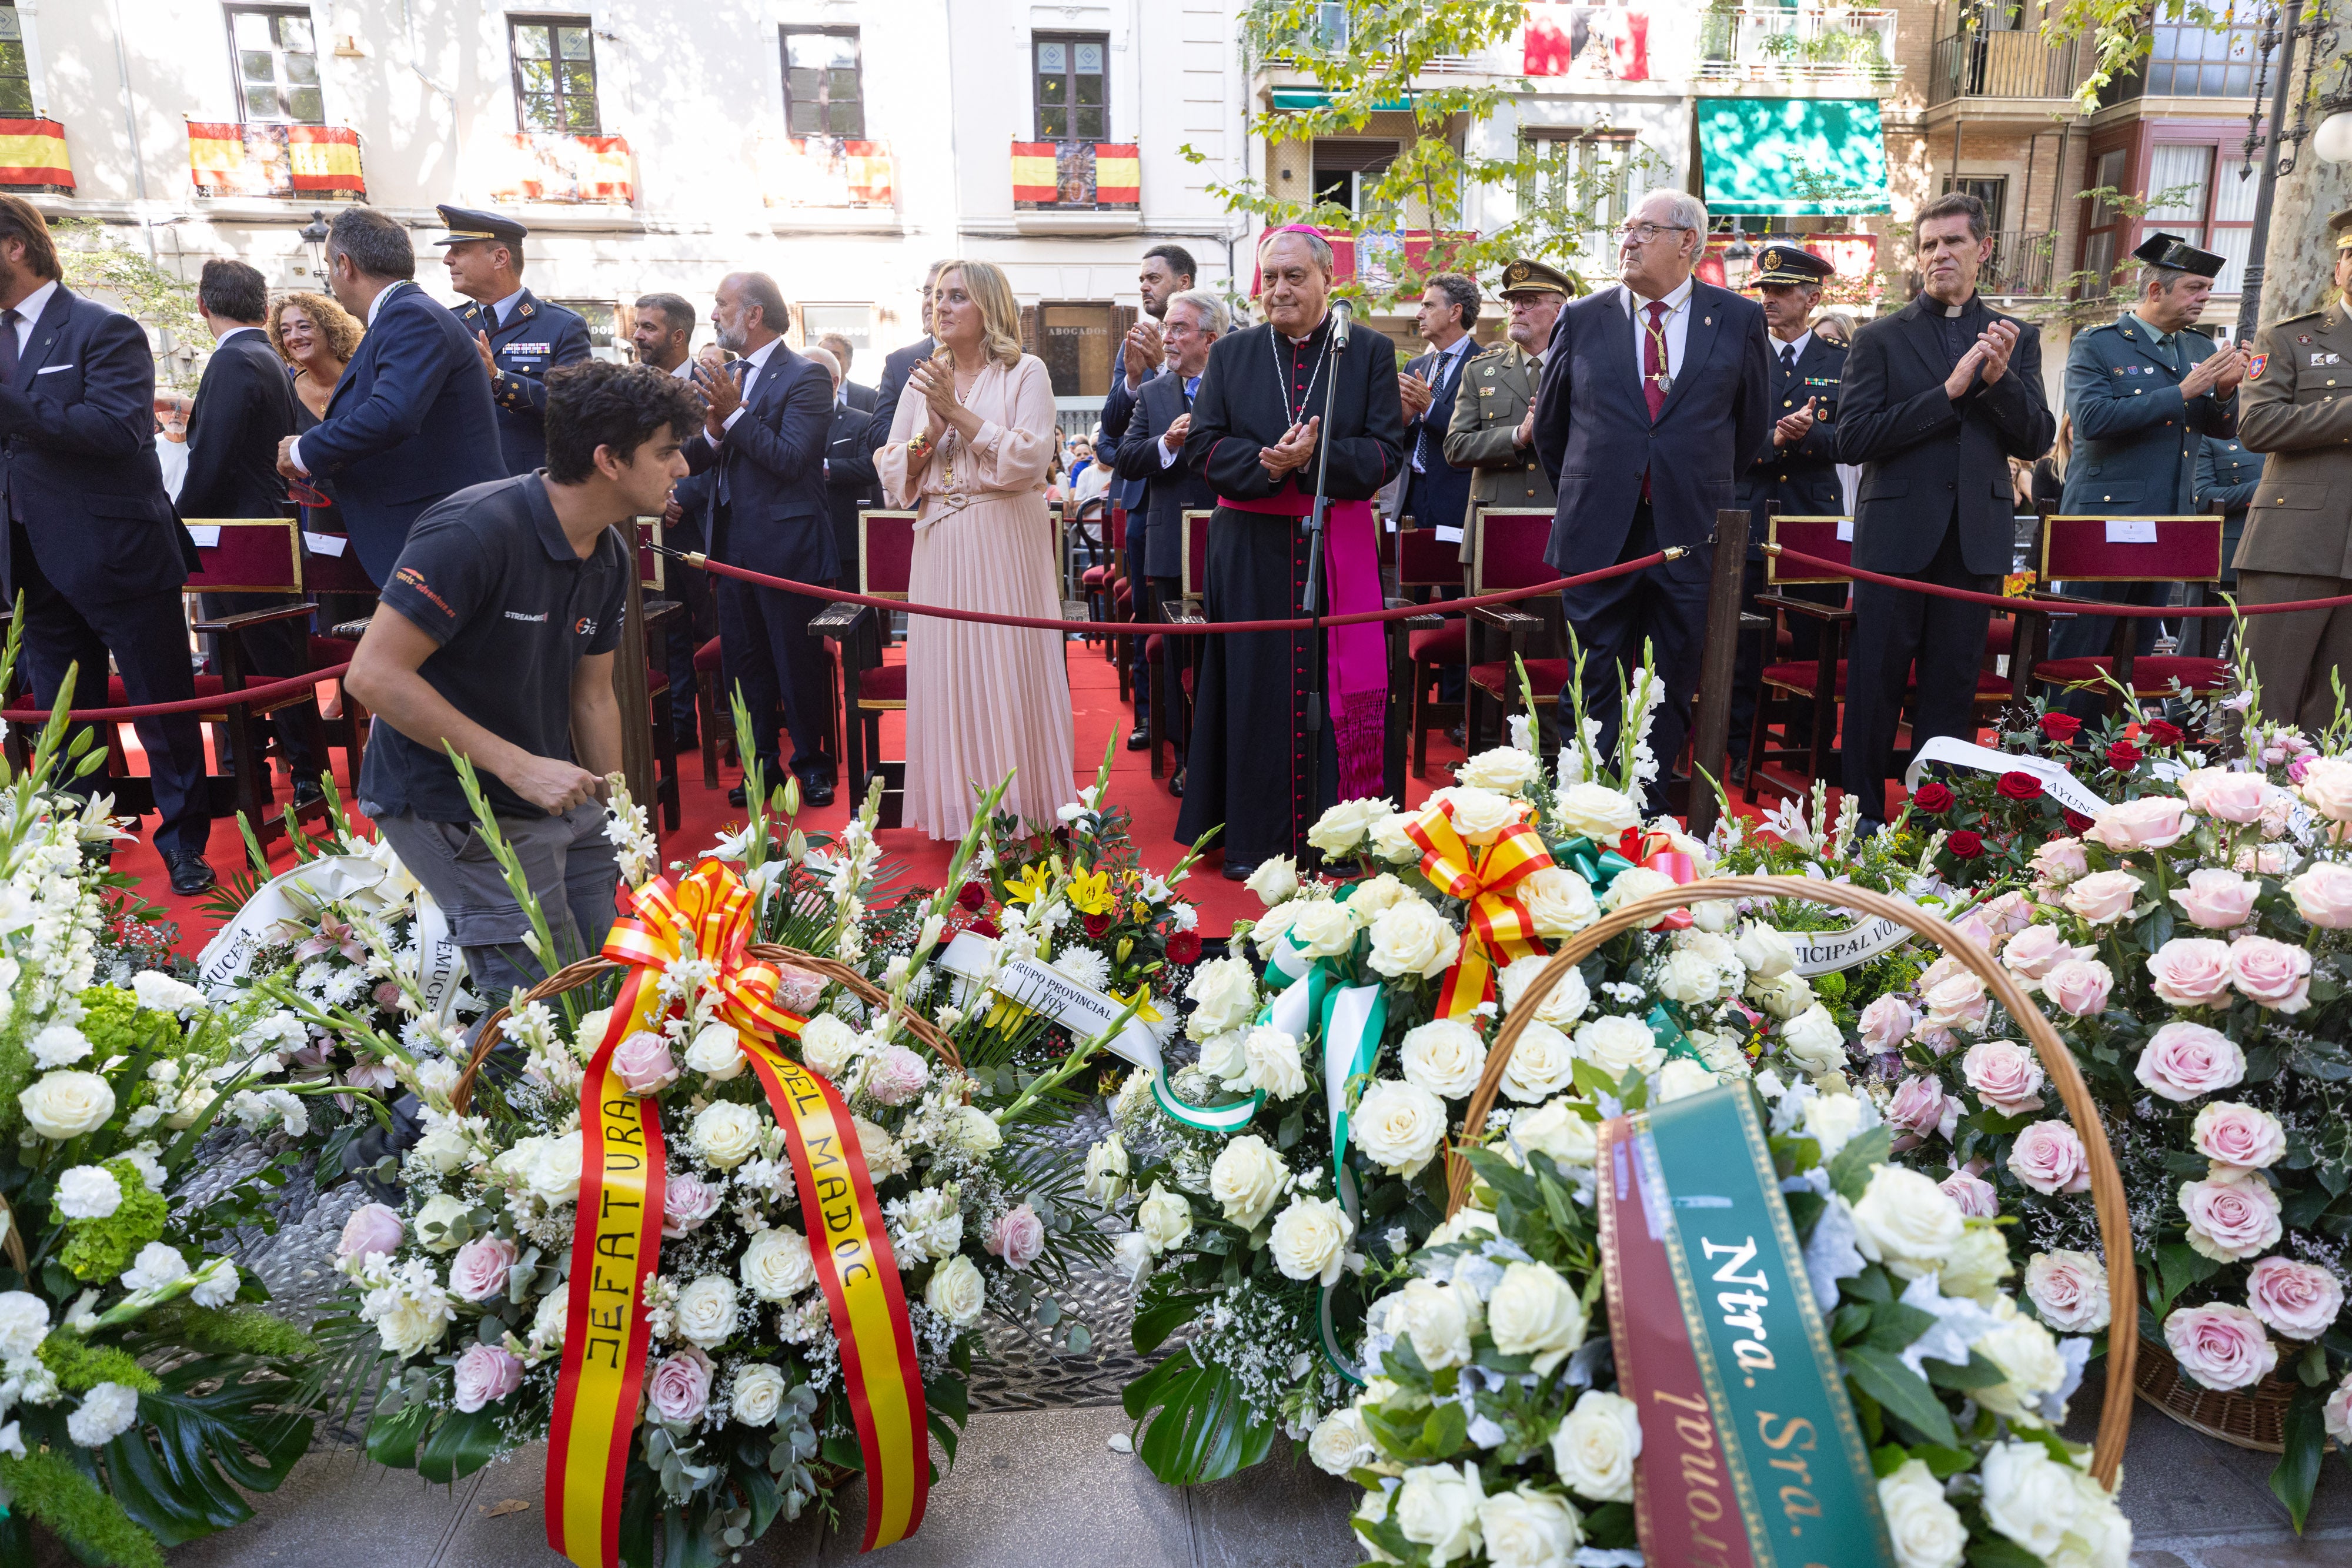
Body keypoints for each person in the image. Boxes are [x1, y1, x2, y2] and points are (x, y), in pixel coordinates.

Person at [346, 359, 689, 998]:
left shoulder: (609, 551)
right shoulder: (475, 529)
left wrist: (622, 817)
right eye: (667, 452)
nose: (682, 468)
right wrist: (518, 766)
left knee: (611, 985)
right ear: (609, 459)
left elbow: (593, 697)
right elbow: (371, 676)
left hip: (558, 798)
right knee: (537, 1013)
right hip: (453, 801)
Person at [1530, 189, 1772, 806]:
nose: (1627, 241)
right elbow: (1553, 430)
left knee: (1671, 679)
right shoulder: (1583, 317)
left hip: (1689, 531)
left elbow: (1747, 430)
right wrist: (1602, 487)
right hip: (1597, 530)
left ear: (1687, 241)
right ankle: (1581, 807)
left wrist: (1682, 481)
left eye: (1643, 229)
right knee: (1590, 681)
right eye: (1625, 228)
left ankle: (1651, 809)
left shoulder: (1737, 319)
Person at [1177, 226, 1404, 879]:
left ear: (1327, 282)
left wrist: (1316, 459)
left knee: (1336, 688)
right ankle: (1256, 841)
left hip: (1337, 545)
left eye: (1294, 277)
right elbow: (1204, 448)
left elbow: (1386, 452)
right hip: (1249, 551)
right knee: (1254, 689)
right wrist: (1269, 464)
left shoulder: (1367, 352)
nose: (1279, 289)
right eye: (1270, 277)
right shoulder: (1232, 355)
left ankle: (1340, 838)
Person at [0, 197, 213, 891]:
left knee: (160, 704)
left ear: (14, 248)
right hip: (31, 556)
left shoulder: (103, 327)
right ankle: (79, 847)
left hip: (118, 553)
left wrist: (11, 403)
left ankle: (184, 843)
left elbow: (119, 431)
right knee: (69, 716)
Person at [1836, 190, 2054, 828]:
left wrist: (1996, 381)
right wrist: (1949, 391)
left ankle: (1936, 828)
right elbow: (1852, 440)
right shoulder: (1879, 338)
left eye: (1953, 242)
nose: (1939, 255)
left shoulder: (2020, 338)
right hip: (1894, 543)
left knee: (1951, 692)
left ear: (1982, 249)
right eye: (1928, 244)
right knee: (1874, 689)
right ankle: (1862, 822)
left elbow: (2036, 438)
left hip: (1974, 542)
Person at [876, 259, 1075, 838]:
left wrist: (957, 414)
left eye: (956, 296)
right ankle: (960, 812)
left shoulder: (1025, 371)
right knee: (949, 674)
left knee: (1009, 666)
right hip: (939, 538)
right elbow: (893, 469)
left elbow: (1029, 460)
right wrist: (928, 435)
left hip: (1005, 534)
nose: (941, 306)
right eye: (937, 295)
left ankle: (1026, 807)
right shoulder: (926, 376)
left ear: (987, 306)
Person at [2044, 231, 2244, 715]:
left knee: (2134, 653)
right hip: (2104, 523)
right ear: (2156, 291)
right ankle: (2054, 758)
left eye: (2207, 288)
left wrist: (2222, 394)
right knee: (2081, 650)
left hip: (2168, 520)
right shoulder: (2099, 345)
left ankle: (2114, 759)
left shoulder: (2195, 347)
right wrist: (2184, 391)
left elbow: (2217, 430)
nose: (2205, 297)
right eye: (2194, 288)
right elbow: (2092, 420)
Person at [277, 206, 506, 584]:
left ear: (344, 266)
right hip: (433, 530)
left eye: (331, 269)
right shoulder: (401, 315)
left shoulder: (409, 315)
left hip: (441, 531)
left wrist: (304, 450)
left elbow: (392, 414)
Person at [682, 272, 838, 808]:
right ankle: (761, 767)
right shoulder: (726, 375)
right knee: (744, 666)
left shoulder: (807, 376)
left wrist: (736, 414)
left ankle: (812, 767)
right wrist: (713, 429)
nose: (714, 314)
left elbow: (793, 460)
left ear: (753, 315)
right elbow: (700, 453)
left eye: (722, 304)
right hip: (730, 547)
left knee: (795, 661)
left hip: (786, 548)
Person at [181, 257, 324, 805]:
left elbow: (211, 459)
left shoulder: (235, 360)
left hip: (240, 537)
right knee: (275, 657)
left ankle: (271, 775)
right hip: (265, 527)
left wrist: (178, 523)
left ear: (203, 307)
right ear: (264, 309)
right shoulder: (264, 356)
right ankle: (292, 772)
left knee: (247, 662)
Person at [1728, 245, 1847, 780]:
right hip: (1749, 512)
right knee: (1744, 642)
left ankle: (1809, 745)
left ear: (1813, 298)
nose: (1769, 299)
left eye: (1781, 290)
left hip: (1811, 520)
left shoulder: (1842, 362)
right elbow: (1721, 436)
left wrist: (1811, 436)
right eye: (1765, 290)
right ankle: (1738, 746)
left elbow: (1854, 437)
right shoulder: (1738, 354)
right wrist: (1772, 439)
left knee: (1815, 641)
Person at [2234, 206, 2352, 730]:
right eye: (2350, 254)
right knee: (2263, 704)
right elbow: (2257, 426)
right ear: (2337, 269)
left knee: (2339, 718)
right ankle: (2239, 812)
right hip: (2297, 541)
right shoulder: (2292, 338)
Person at [1113, 286, 1227, 793]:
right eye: (1167, 329)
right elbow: (1126, 456)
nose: (1168, 338)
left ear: (1211, 337)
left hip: (1228, 538)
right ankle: (1185, 759)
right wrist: (1166, 443)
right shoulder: (1155, 392)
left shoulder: (1236, 383)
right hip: (1169, 546)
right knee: (1181, 657)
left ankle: (1227, 754)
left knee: (1226, 654)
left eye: (1179, 329)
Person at [436, 206, 593, 478]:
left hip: (531, 486)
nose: (447, 260)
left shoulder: (562, 325)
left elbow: (576, 409)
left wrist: (498, 379)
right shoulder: (449, 323)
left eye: (459, 250)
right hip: (461, 485)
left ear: (500, 258)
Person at [633, 291, 716, 751]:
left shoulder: (711, 382)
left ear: (678, 335)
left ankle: (726, 728)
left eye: (649, 327)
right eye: (638, 325)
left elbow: (722, 454)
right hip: (652, 531)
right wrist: (652, 500)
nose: (638, 335)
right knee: (669, 632)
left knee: (713, 631)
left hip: (702, 527)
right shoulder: (632, 387)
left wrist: (679, 493)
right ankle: (681, 727)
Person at [1444, 258, 1571, 525]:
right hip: (1494, 519)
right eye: (1512, 301)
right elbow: (1456, 447)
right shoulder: (1479, 371)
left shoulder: (1583, 369)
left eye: (1529, 301)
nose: (1516, 310)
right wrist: (1517, 436)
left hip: (1563, 515)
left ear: (1559, 311)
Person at [1399, 273, 1481, 547]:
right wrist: (1404, 421)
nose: (1419, 314)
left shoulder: (1486, 365)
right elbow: (1403, 435)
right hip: (1411, 497)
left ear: (1455, 312)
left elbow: (1478, 434)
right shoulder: (1415, 366)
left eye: (1429, 306)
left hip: (1456, 500)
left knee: (1453, 588)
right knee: (1410, 587)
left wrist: (1429, 407)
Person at [863, 259, 950, 459]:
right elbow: (878, 437)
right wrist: (928, 438)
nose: (930, 302)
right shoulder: (901, 362)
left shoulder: (1008, 361)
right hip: (921, 485)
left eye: (942, 294)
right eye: (927, 292)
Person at [2184, 429, 2259, 660]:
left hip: (2267, 559)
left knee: (2246, 655)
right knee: (2196, 652)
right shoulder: (2209, 438)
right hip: (2220, 560)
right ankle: (2181, 698)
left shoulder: (2282, 437)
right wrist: (2265, 487)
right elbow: (2203, 497)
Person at [811, 344, 878, 587]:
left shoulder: (861, 421)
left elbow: (872, 468)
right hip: (801, 541)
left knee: (853, 612)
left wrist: (825, 467)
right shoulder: (784, 422)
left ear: (834, 381)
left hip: (847, 538)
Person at [821, 332, 876, 411]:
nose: (827, 362)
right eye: (823, 356)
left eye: (835, 357)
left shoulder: (869, 397)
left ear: (849, 364)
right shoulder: (804, 395)